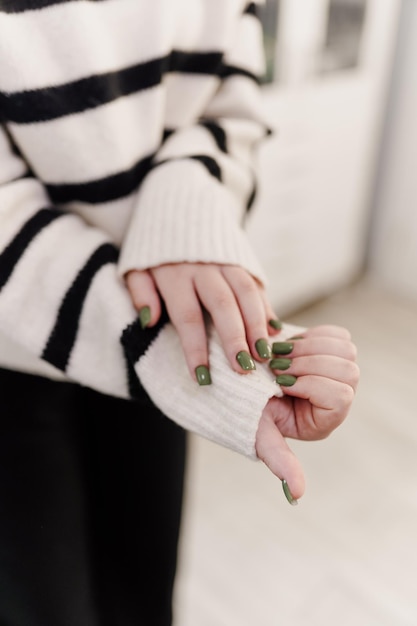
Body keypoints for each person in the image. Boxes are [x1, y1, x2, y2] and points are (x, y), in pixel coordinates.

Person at [0, 1, 359, 625]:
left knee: (144, 598)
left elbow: (232, 89)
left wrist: (186, 207)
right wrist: (186, 350)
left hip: (161, 357)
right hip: (22, 367)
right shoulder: (174, 355)